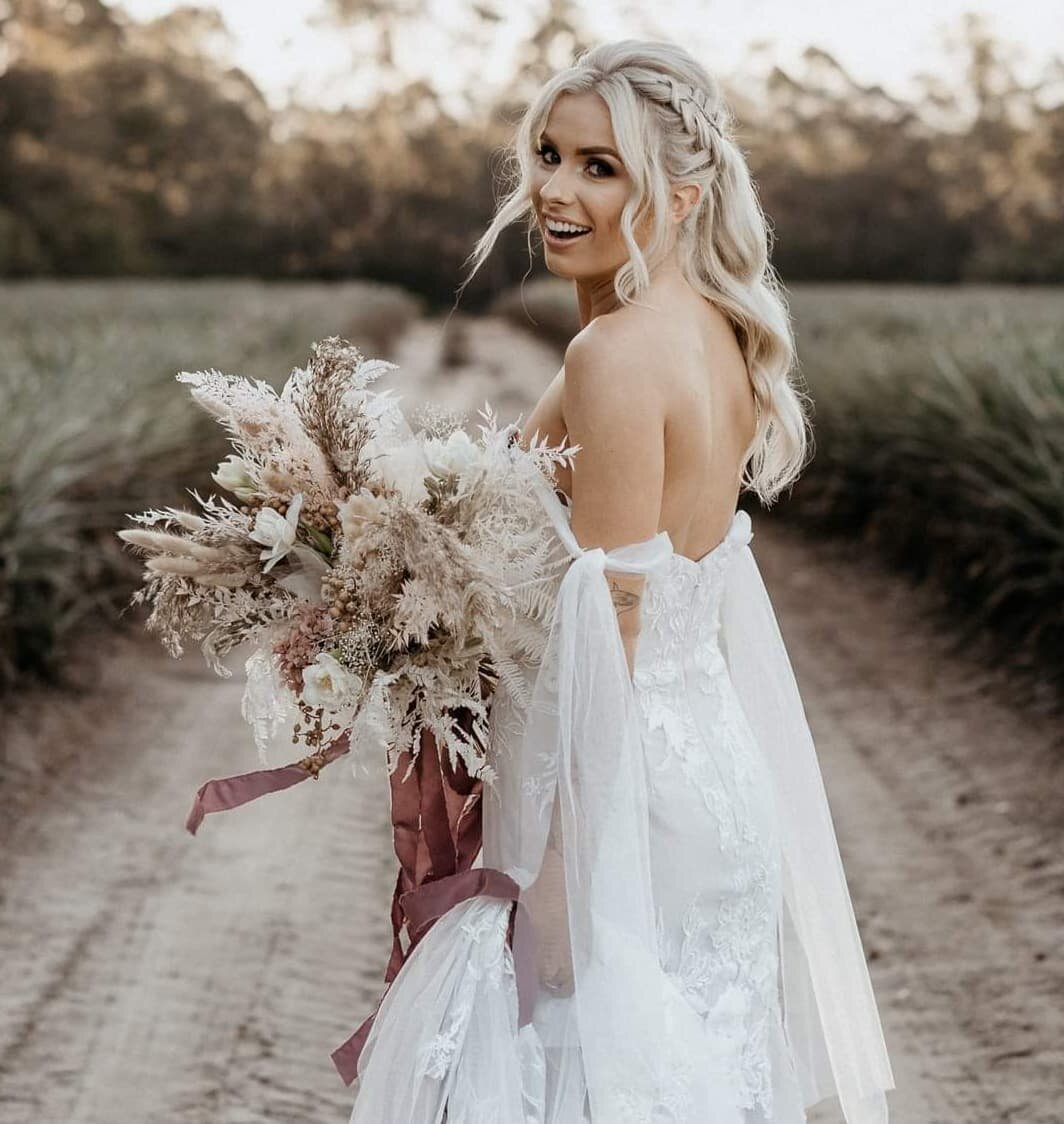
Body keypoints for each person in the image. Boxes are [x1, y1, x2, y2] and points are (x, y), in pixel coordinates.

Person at [345, 39, 896, 1123]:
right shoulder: (719, 336)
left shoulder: (612, 356)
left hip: (619, 805)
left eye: (600, 167)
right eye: (547, 154)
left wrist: (557, 865)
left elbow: (616, 623)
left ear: (679, 194)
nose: (553, 188)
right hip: (711, 786)